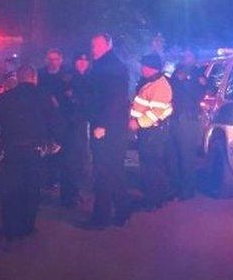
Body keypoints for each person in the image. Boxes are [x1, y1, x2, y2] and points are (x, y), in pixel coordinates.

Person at [0, 65, 61, 241]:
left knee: (9, 190)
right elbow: (56, 123)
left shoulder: (4, 98)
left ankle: (11, 228)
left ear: (18, 78)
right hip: (35, 152)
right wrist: (55, 142)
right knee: (32, 190)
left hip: (10, 151)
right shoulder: (45, 98)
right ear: (34, 78)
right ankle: (27, 226)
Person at [82, 33, 132, 229]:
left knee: (104, 171)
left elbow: (114, 99)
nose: (92, 48)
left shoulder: (110, 66)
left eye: (96, 45)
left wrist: (102, 124)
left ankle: (101, 217)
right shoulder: (108, 64)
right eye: (92, 45)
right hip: (111, 127)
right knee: (112, 171)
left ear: (107, 45)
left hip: (107, 128)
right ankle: (122, 209)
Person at [129, 54, 173, 210]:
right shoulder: (151, 83)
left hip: (152, 133)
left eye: (143, 65)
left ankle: (153, 200)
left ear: (150, 67)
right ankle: (154, 197)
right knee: (150, 165)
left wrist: (137, 123)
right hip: (149, 132)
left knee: (152, 166)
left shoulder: (159, 86)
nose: (141, 68)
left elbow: (155, 113)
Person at [59, 53, 94, 208]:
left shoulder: (91, 77)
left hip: (84, 123)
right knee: (69, 160)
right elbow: (64, 99)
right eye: (79, 60)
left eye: (85, 60)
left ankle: (78, 192)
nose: (82, 63)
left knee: (82, 160)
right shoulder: (68, 77)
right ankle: (68, 195)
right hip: (70, 124)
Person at [168, 63, 205, 200]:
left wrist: (193, 81)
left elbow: (199, 94)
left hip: (188, 122)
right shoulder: (175, 81)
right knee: (175, 157)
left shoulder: (196, 81)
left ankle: (187, 191)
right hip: (176, 121)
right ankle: (177, 188)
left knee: (186, 158)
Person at [38, 48, 70, 191]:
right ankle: (46, 178)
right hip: (44, 117)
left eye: (55, 59)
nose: (53, 62)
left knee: (60, 148)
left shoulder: (67, 75)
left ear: (61, 60)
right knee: (44, 147)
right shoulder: (41, 74)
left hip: (61, 118)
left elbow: (70, 95)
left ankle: (57, 178)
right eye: (50, 59)